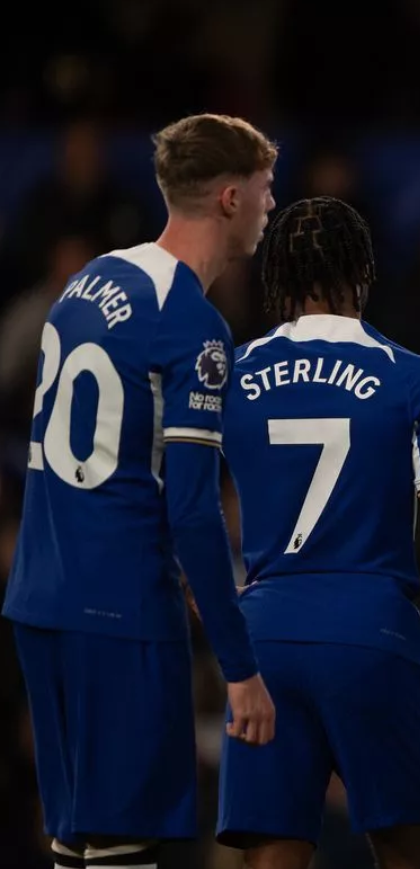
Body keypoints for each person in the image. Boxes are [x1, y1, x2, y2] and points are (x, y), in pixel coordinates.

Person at [3, 113, 278, 869]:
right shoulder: (194, 327)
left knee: (75, 837)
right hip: (118, 608)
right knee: (123, 841)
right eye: (264, 189)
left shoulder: (90, 279)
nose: (270, 206)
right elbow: (190, 509)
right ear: (229, 198)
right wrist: (240, 667)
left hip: (41, 598)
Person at [215, 197, 420, 869]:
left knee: (272, 857)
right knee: (411, 854)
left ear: (278, 276)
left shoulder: (231, 375)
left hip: (263, 639)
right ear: (363, 273)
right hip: (372, 634)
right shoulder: (413, 377)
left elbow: (186, 511)